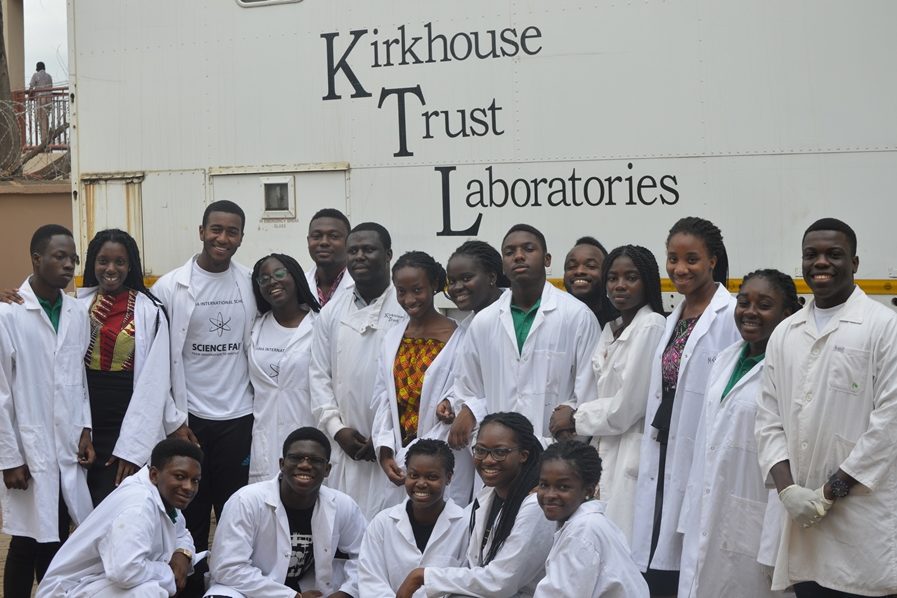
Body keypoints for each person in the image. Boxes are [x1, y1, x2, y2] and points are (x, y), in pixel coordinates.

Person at [756, 218, 897, 597]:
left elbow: (889, 425)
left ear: (854, 262)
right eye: (811, 254)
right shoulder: (786, 332)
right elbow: (768, 419)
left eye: (833, 254)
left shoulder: (885, 327)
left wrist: (829, 492)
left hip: (861, 523)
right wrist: (789, 492)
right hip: (803, 521)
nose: (820, 262)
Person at [0, 228, 181, 505]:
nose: (111, 269)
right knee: (75, 504)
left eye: (120, 262)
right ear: (92, 264)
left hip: (125, 418)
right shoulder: (76, 305)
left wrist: (133, 447)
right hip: (80, 422)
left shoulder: (150, 312)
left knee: (118, 500)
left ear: (131, 265)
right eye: (102, 261)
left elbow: (155, 384)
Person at [630, 217, 739, 598]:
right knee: (658, 545)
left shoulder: (731, 315)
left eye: (692, 259)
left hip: (702, 445)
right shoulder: (672, 317)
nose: (680, 269)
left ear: (712, 261)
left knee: (691, 552)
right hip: (664, 445)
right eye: (673, 259)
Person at [151, 200, 257, 593]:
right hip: (190, 421)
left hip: (239, 417)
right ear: (201, 231)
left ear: (241, 237)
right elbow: (156, 360)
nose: (222, 238)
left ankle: (229, 588)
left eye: (232, 232)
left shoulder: (250, 283)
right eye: (216, 229)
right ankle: (189, 588)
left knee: (234, 514)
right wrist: (174, 419)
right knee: (188, 513)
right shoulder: (170, 286)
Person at [677, 270, 800, 598]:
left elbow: (789, 459)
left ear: (787, 314)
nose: (749, 312)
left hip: (756, 517)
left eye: (764, 305)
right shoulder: (726, 358)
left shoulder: (792, 370)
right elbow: (705, 443)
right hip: (709, 507)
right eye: (743, 302)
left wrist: (775, 543)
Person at [0, 224, 95, 597]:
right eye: (59, 257)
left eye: (73, 258)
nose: (69, 265)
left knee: (57, 535)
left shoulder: (76, 313)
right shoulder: (8, 314)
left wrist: (85, 429)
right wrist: (9, 458)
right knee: (26, 540)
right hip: (29, 446)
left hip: (67, 445)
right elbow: (1, 393)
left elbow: (78, 379)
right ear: (36, 259)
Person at [549, 244, 666, 543]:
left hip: (629, 449)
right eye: (613, 278)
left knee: (622, 542)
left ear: (648, 282)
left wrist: (575, 418)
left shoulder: (651, 325)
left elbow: (628, 407)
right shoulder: (612, 327)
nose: (620, 285)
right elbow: (593, 390)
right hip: (603, 449)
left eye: (631, 277)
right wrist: (568, 411)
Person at [450, 224, 601, 447]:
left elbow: (589, 394)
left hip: (558, 454)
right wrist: (488, 448)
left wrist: (561, 447)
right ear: (503, 265)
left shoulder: (577, 315)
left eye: (528, 249)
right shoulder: (484, 321)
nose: (519, 256)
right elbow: (468, 392)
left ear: (547, 260)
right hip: (497, 457)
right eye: (510, 252)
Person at [396, 412, 556, 598]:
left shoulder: (535, 505)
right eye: (480, 450)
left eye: (500, 452)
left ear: (523, 455)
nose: (488, 460)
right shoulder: (488, 495)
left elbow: (501, 582)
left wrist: (423, 576)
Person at [310, 222, 409, 520]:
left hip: (395, 447)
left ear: (388, 254)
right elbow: (318, 376)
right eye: (353, 251)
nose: (360, 257)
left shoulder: (407, 308)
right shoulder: (331, 312)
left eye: (369, 249)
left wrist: (385, 437)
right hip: (346, 448)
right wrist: (337, 430)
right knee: (344, 528)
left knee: (390, 528)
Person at [205, 427, 366, 598]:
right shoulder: (246, 501)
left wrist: (347, 592)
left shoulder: (342, 505)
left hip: (311, 590)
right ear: (282, 464)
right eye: (296, 458)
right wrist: (292, 596)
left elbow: (367, 556)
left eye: (315, 460)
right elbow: (227, 568)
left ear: (327, 469)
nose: (305, 465)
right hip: (250, 590)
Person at [37, 438, 203, 598]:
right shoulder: (138, 506)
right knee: (149, 592)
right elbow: (125, 572)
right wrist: (169, 573)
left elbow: (182, 534)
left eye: (195, 480)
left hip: (99, 583)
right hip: (70, 590)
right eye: (180, 477)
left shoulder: (164, 494)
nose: (188, 487)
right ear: (154, 474)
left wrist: (183, 554)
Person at [372, 251, 471, 506]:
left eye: (417, 290)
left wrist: (450, 403)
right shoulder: (392, 338)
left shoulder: (459, 338)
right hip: (399, 457)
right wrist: (385, 449)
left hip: (443, 453)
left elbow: (467, 389)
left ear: (434, 285)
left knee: (445, 518)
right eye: (401, 291)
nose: (409, 299)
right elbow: (384, 399)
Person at [534, 440, 649, 598]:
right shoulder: (590, 523)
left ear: (589, 490)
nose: (550, 495)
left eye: (563, 487)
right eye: (544, 485)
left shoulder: (582, 532)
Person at [358, 439, 468, 597]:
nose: (421, 483)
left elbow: (467, 583)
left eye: (432, 477)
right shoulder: (382, 523)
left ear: (449, 478)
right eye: (414, 475)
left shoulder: (465, 525)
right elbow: (371, 581)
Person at [247, 253, 321, 484]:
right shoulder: (256, 327)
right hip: (265, 436)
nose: (272, 282)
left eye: (279, 273)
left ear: (295, 277)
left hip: (308, 431)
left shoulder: (319, 325)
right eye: (264, 279)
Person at [562, 236, 618, 327]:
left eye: (591, 266)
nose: (579, 271)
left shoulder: (621, 318)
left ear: (606, 273)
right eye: (572, 266)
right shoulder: (552, 316)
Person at [305, 208, 354, 306]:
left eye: (334, 236)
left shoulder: (363, 285)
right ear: (308, 241)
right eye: (316, 236)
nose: (324, 242)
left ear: (349, 241)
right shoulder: (299, 285)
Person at [29, 61, 53, 145]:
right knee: (46, 120)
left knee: (41, 121)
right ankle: (47, 139)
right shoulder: (49, 76)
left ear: (37, 68)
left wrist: (30, 96)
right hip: (49, 100)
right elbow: (51, 87)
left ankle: (44, 142)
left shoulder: (36, 75)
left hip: (40, 99)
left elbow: (31, 87)